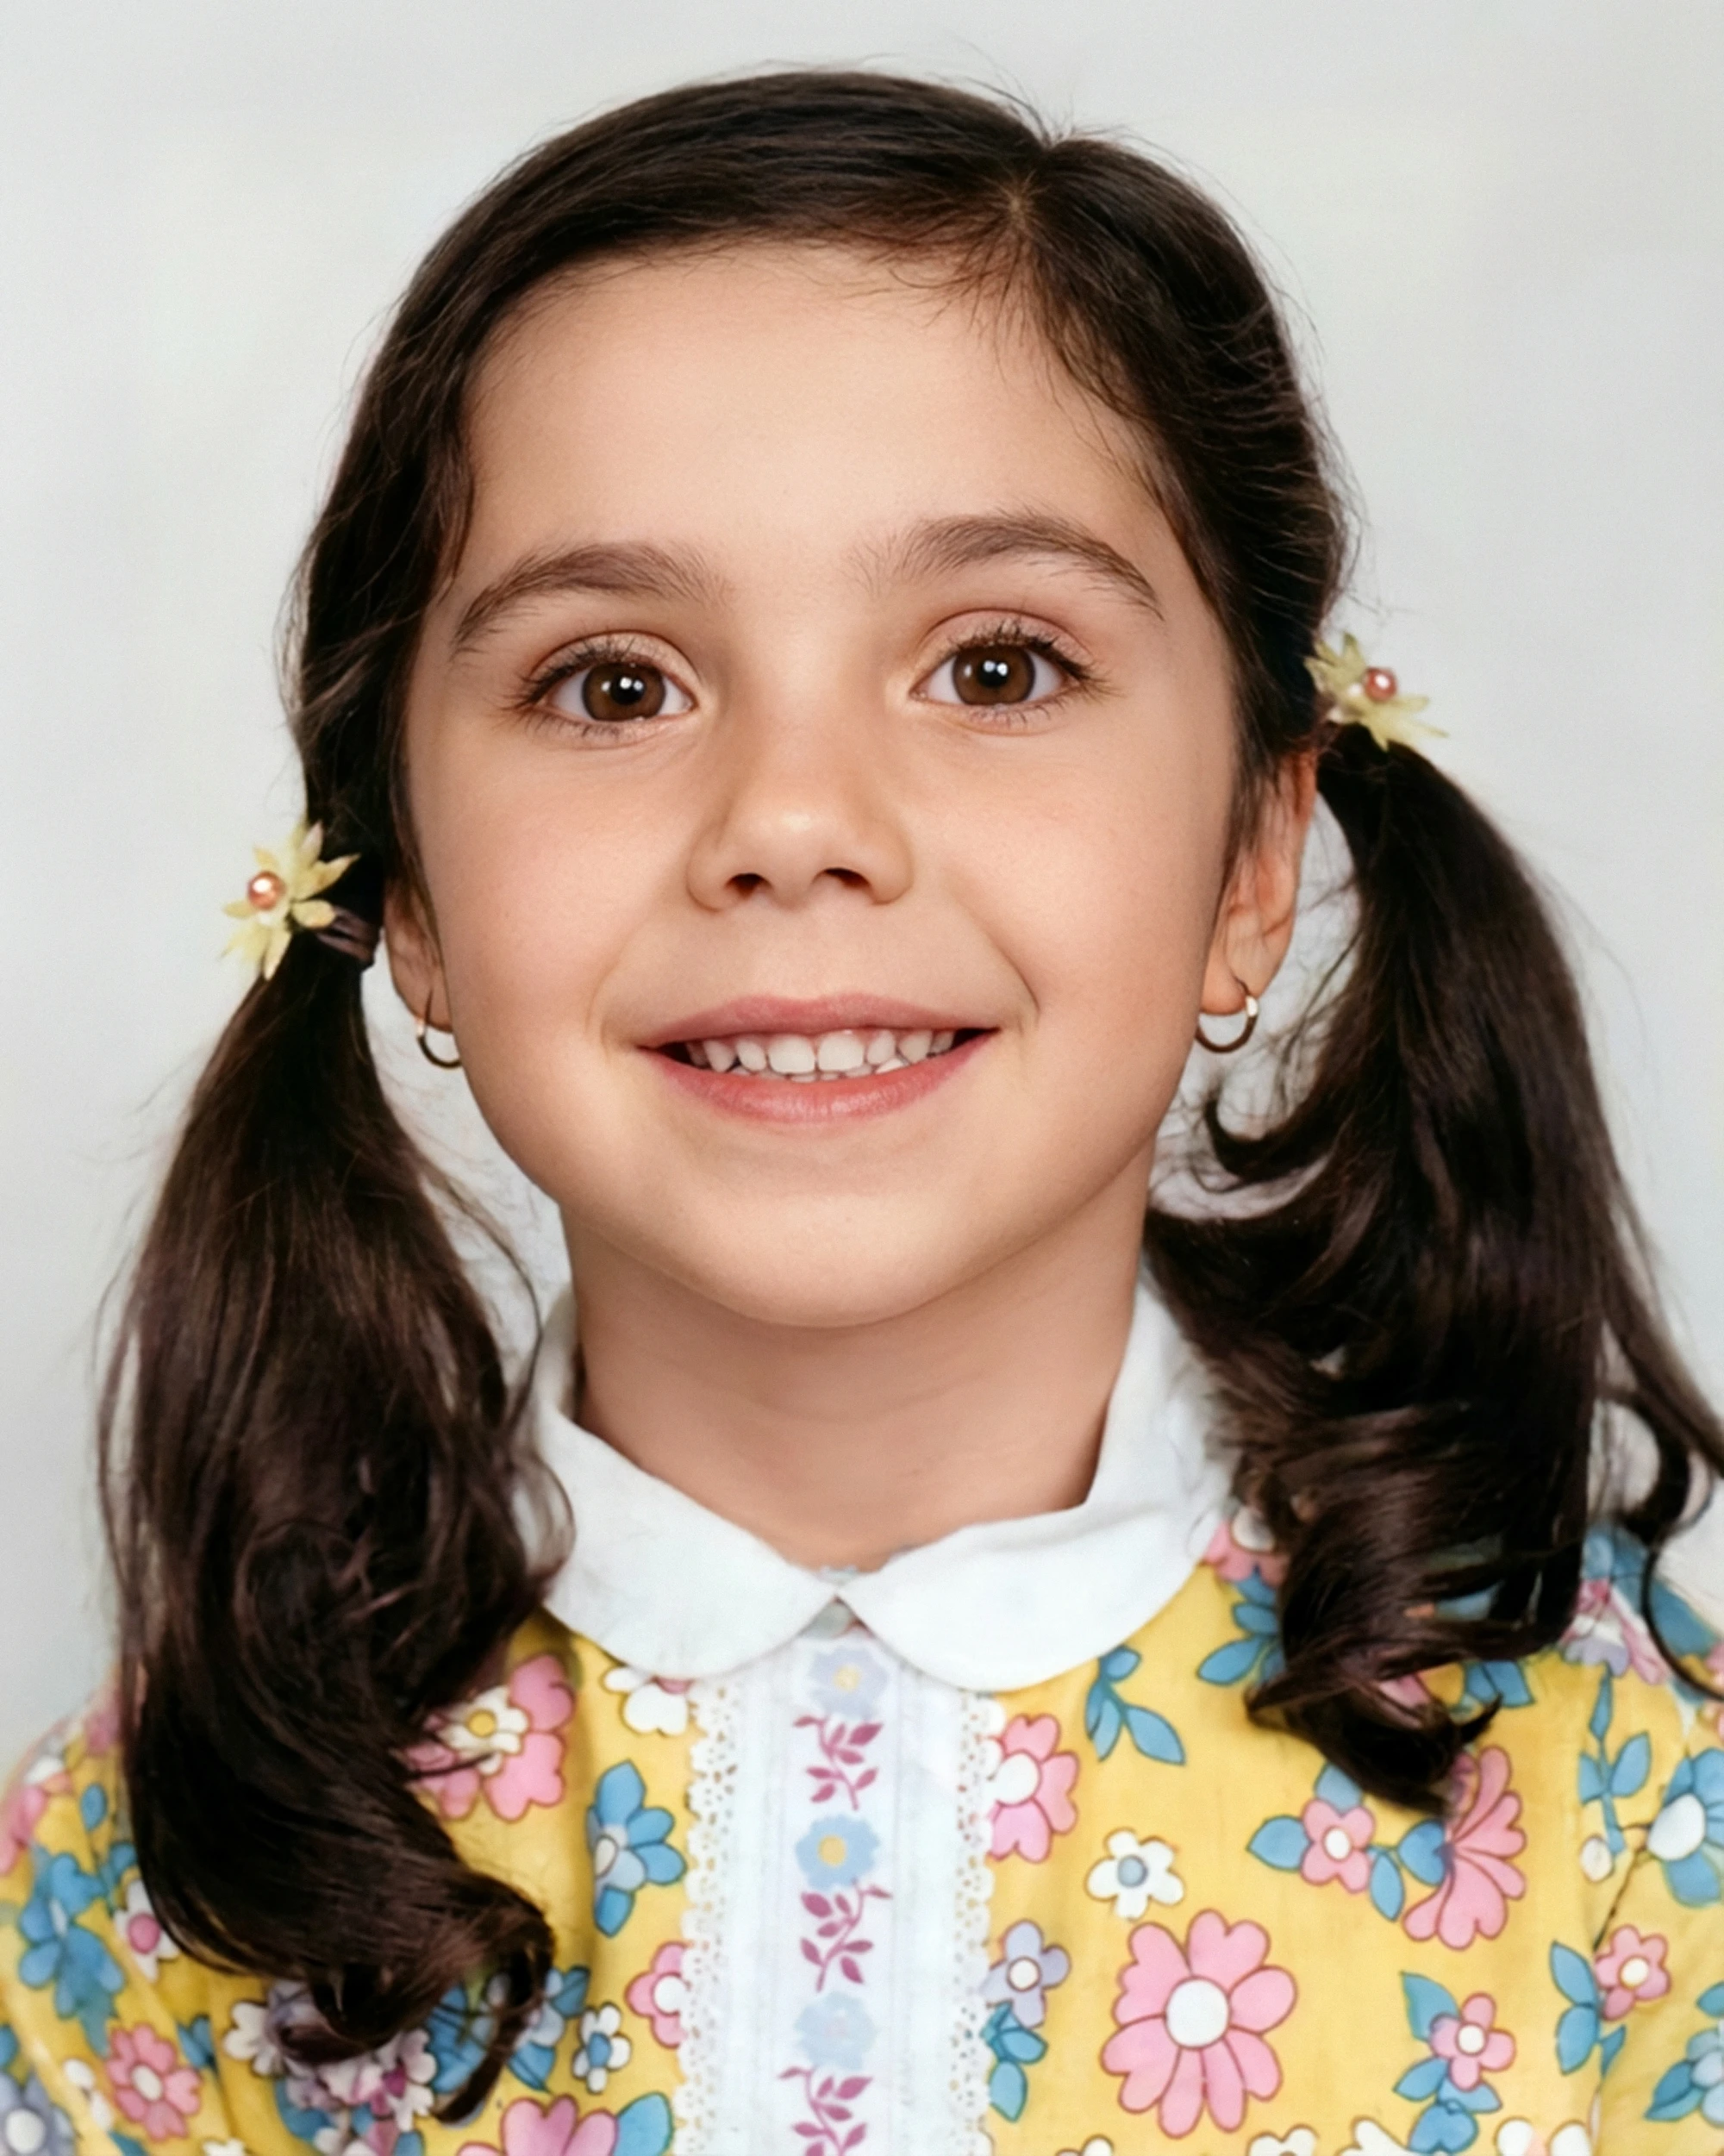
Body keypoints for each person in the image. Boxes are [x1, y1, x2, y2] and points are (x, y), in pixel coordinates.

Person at [2, 68, 1721, 2156]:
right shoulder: (148, 1878)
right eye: (614, 683)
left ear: (1255, 856)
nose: (796, 820)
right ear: (413, 901)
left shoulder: (1633, 1819)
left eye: (995, 668)